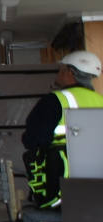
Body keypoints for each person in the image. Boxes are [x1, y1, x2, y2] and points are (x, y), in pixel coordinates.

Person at [23, 50, 103, 208]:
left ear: (69, 73)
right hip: (97, 179)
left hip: (61, 182)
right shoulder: (100, 100)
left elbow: (33, 140)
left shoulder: (54, 101)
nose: (58, 74)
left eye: (60, 70)